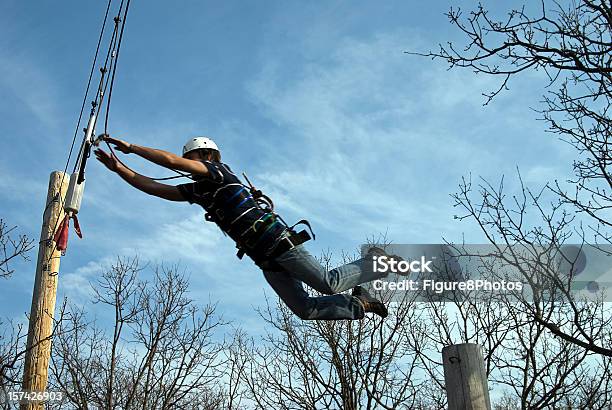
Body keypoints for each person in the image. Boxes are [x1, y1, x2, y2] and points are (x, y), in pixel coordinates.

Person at [94, 135, 390, 320]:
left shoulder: (219, 173)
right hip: (266, 260)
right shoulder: (200, 192)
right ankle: (358, 305)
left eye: (191, 159)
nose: (186, 164)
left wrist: (132, 148)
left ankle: (376, 261)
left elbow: (170, 162)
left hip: (279, 244)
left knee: (328, 282)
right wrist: (119, 168)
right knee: (304, 310)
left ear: (207, 156)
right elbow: (155, 188)